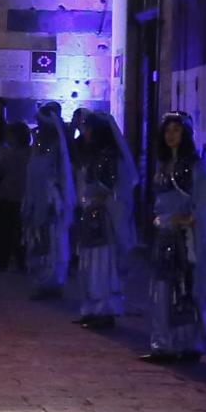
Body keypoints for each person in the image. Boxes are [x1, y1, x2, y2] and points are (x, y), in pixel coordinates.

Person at [144, 112, 206, 361]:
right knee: (163, 289)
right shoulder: (163, 167)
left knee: (186, 289)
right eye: (168, 130)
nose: (171, 135)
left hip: (186, 241)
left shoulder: (195, 168)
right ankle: (164, 343)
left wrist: (186, 220)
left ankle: (189, 343)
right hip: (165, 237)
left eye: (176, 130)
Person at [71, 111, 129, 329]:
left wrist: (97, 198)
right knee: (88, 263)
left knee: (102, 265)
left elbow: (110, 187)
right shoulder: (92, 155)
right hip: (90, 214)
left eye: (88, 128)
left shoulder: (108, 156)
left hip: (103, 218)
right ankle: (90, 308)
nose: (85, 132)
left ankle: (104, 310)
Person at [25, 102, 75, 297]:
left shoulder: (60, 145)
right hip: (36, 198)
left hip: (52, 200)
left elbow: (63, 174)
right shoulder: (38, 142)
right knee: (38, 240)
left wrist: (56, 199)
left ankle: (53, 282)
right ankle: (41, 281)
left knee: (53, 241)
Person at [0, 114, 30, 272]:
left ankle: (3, 260)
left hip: (7, 195)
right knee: (20, 229)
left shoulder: (7, 154)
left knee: (5, 229)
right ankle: (21, 260)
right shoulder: (31, 153)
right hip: (24, 195)